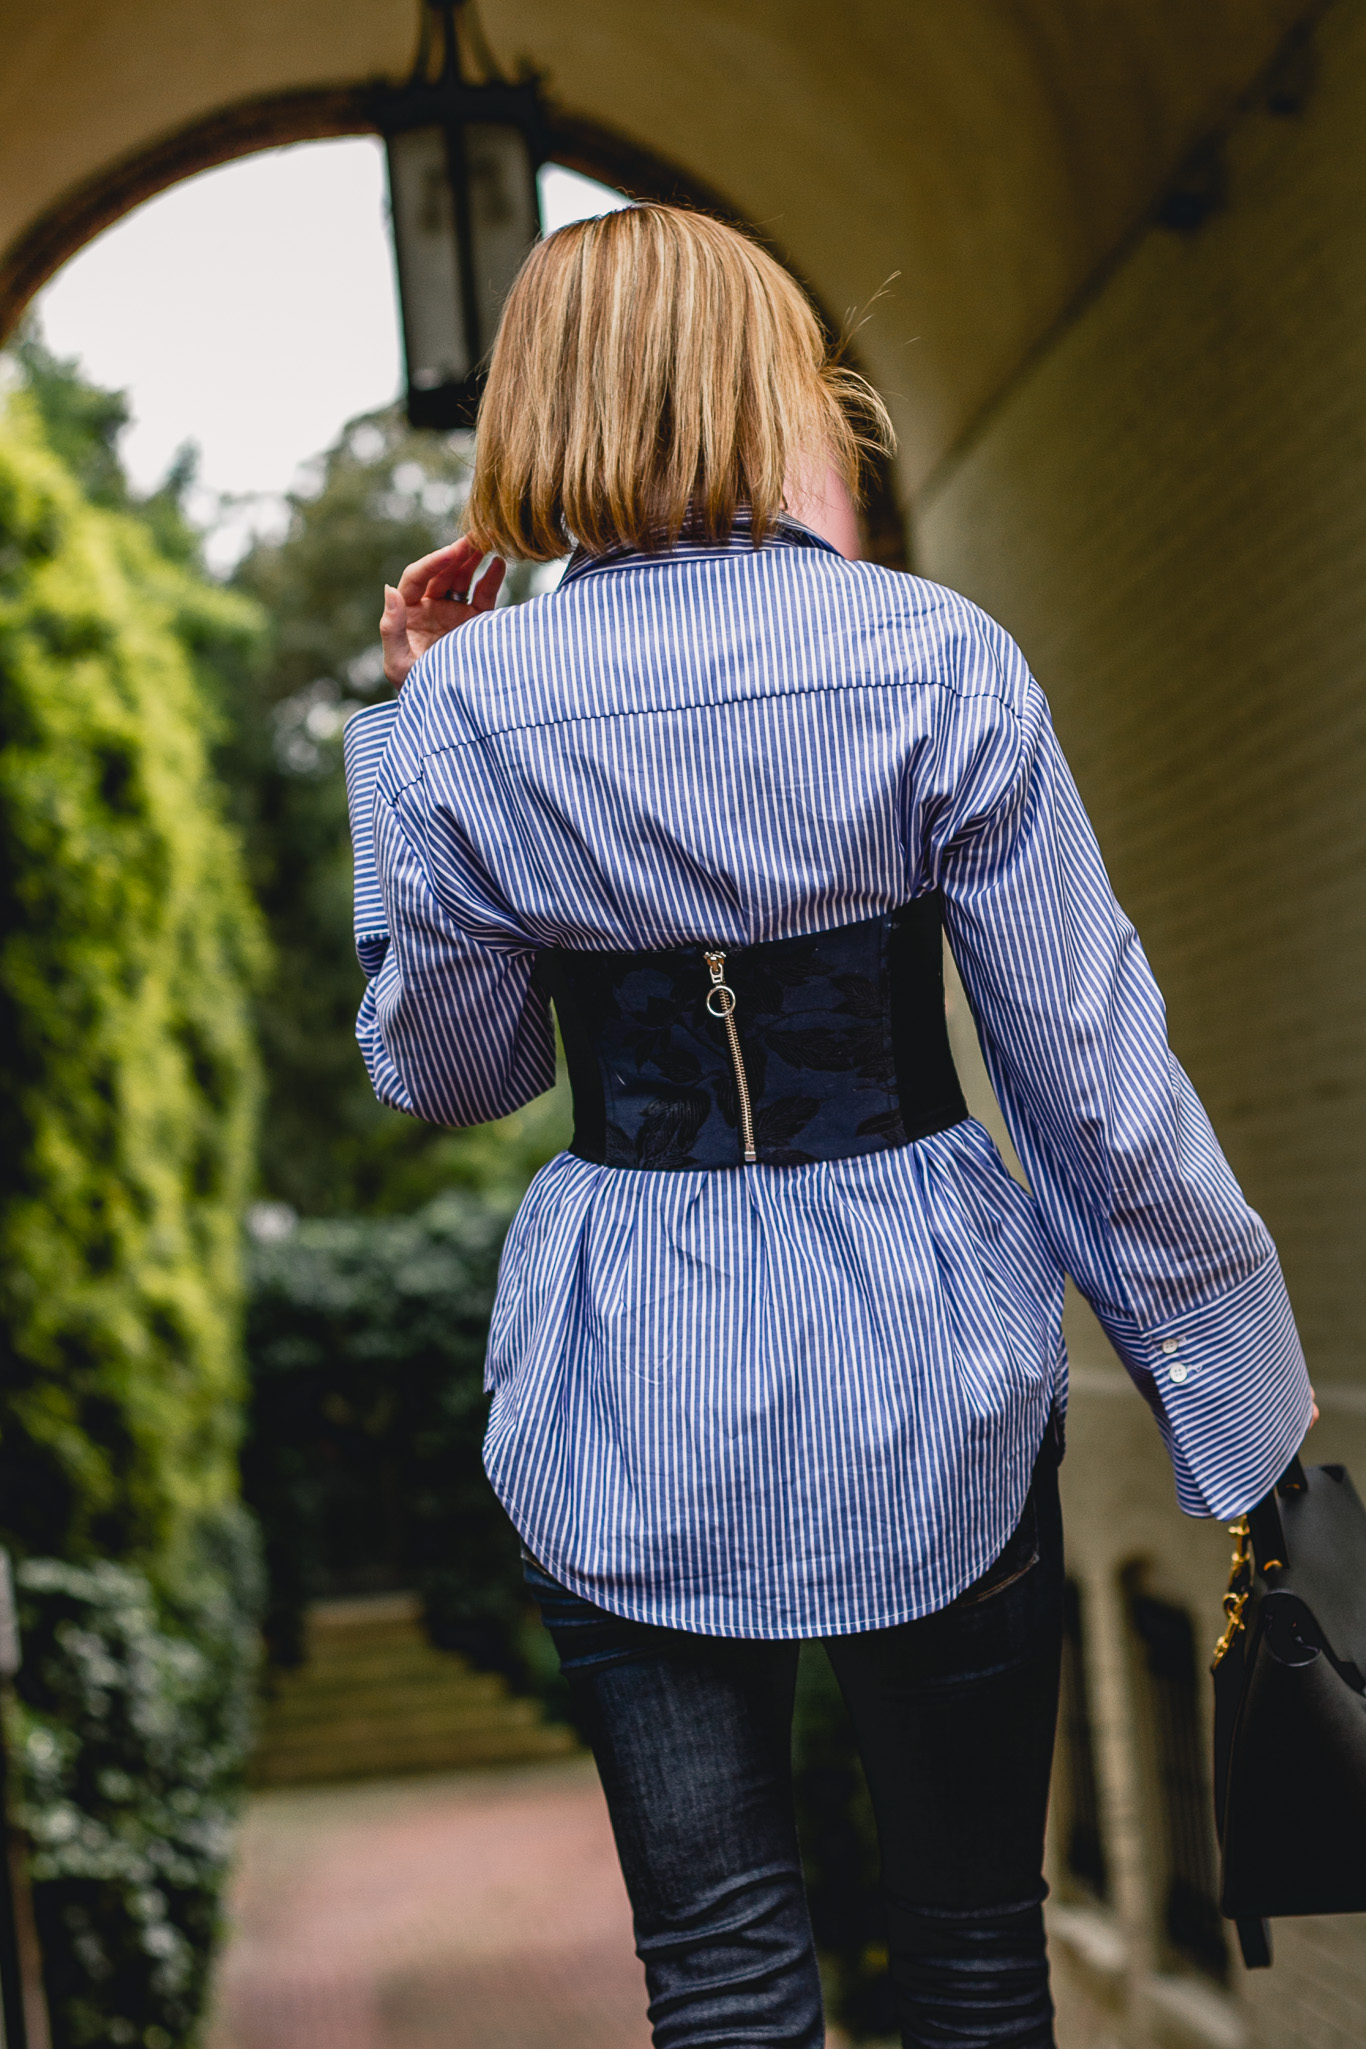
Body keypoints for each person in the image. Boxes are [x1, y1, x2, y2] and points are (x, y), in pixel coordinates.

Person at [344, 204, 1313, 2049]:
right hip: (926, 1347)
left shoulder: (466, 713)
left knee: (714, 1970)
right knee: (972, 1949)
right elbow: (1087, 1075)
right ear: (755, 383)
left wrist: (402, 737)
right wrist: (1240, 1388)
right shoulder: (936, 660)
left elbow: (449, 1072)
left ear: (533, 409)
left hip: (621, 1370)